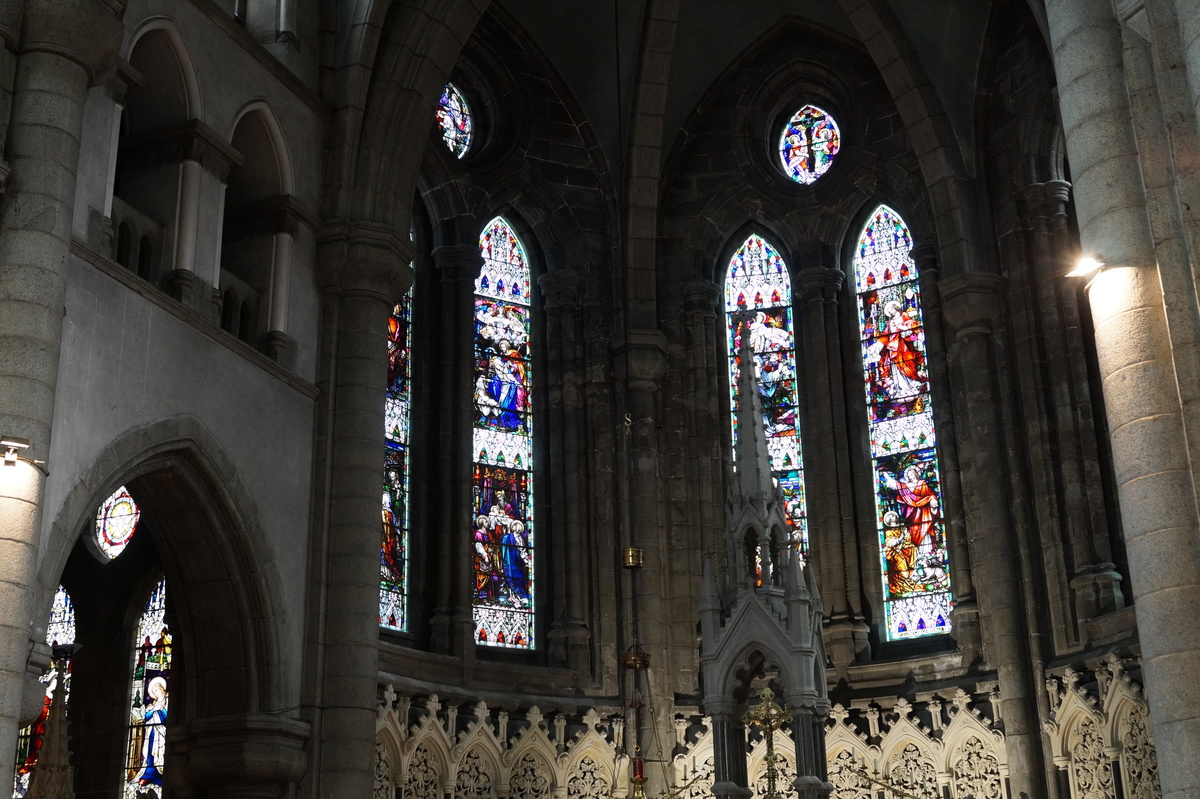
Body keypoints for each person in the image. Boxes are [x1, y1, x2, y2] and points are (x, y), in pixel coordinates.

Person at [867, 299, 924, 400]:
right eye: (889, 311)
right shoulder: (890, 322)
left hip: (905, 347)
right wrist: (878, 344)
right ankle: (900, 389)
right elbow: (885, 335)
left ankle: (911, 385)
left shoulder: (904, 316)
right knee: (896, 369)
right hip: (893, 349)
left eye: (891, 310)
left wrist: (904, 328)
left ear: (896, 308)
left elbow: (912, 324)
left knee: (908, 365)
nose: (891, 313)